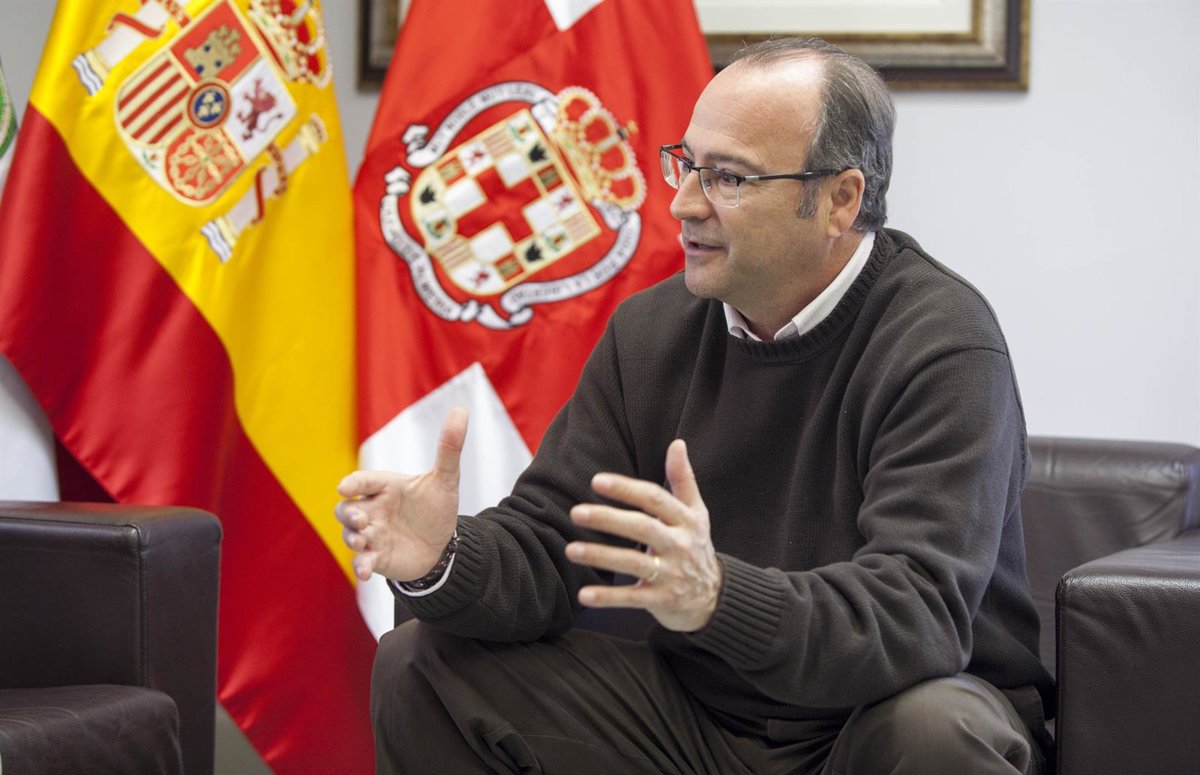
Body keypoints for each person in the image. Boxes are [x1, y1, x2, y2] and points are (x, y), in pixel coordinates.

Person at [336, 36, 1054, 774]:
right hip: (701, 721)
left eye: (728, 178)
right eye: (685, 164)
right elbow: (551, 546)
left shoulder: (941, 342)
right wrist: (442, 559)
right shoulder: (652, 332)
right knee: (421, 664)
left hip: (880, 717)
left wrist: (718, 598)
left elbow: (914, 619)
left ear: (840, 200)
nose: (681, 203)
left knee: (935, 729)